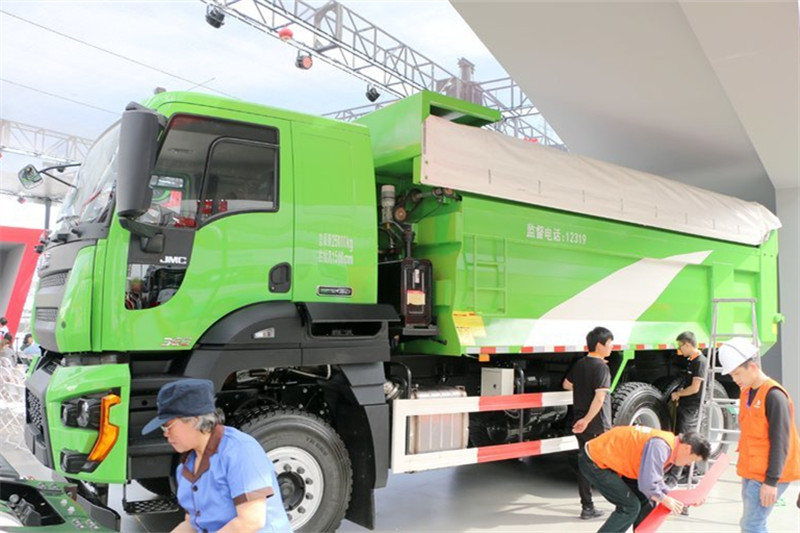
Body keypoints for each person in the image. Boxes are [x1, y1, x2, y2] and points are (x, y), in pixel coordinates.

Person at [142, 379, 292, 533]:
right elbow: (192, 524)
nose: (165, 433)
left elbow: (250, 522)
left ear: (194, 420)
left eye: (168, 426)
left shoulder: (240, 450)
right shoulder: (186, 466)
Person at [718, 337, 800, 533]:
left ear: (752, 367)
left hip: (768, 475)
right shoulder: (747, 392)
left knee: (752, 524)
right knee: (751, 523)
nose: (734, 379)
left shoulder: (774, 396)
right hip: (752, 472)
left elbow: (781, 443)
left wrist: (771, 481)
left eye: (737, 373)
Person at [579, 425, 710, 532]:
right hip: (594, 461)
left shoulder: (668, 444)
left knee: (648, 502)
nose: (689, 464)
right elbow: (648, 485)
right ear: (687, 448)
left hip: (610, 462)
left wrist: (687, 499)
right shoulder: (661, 447)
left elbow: (656, 482)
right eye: (692, 460)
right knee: (630, 507)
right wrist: (665, 499)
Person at [563, 326, 614, 520]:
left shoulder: (580, 364)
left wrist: (583, 387)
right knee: (606, 465)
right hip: (596, 424)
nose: (611, 347)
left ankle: (587, 506)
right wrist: (587, 420)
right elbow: (600, 398)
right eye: (609, 343)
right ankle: (623, 503)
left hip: (580, 423)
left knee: (585, 465)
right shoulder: (601, 367)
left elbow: (567, 385)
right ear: (599, 345)